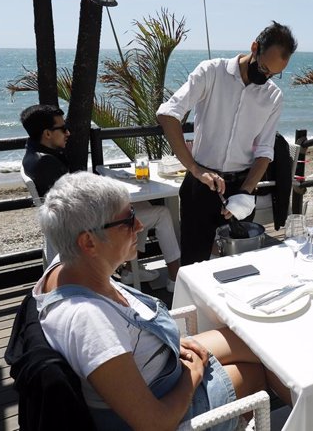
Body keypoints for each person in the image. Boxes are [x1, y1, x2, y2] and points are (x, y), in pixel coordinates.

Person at [32, 171, 291, 431]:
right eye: (128, 220)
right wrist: (193, 375)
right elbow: (155, 424)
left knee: (260, 342)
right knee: (257, 373)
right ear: (89, 241)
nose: (140, 226)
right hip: (168, 404)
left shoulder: (69, 264)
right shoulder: (90, 322)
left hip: (158, 364)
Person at [156, 21, 298, 266]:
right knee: (194, 265)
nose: (266, 78)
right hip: (200, 187)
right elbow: (168, 114)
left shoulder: (273, 96)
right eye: (264, 68)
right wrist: (195, 169)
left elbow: (265, 150)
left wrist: (246, 192)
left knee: (238, 268)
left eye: (274, 74)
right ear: (255, 47)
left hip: (241, 188)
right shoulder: (211, 72)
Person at [20, 104, 181, 290]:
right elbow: (77, 207)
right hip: (85, 227)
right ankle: (175, 278)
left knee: (140, 205)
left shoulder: (33, 155)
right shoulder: (47, 163)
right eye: (62, 128)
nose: (68, 133)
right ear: (47, 134)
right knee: (162, 213)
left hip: (70, 225)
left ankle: (130, 270)